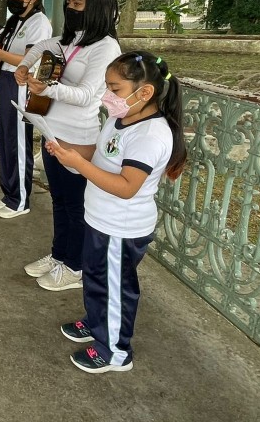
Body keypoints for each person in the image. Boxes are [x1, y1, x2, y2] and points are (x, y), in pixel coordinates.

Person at [47, 51, 186, 373]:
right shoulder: (120, 118)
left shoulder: (150, 135)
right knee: (96, 279)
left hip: (121, 228)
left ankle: (115, 351)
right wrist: (68, 150)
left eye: (115, 89)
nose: (108, 96)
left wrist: (78, 164)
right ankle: (97, 322)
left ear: (145, 92)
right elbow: (100, 156)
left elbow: (126, 186)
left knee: (115, 288)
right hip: (100, 219)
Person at [15, 0, 122, 291]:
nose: (70, 9)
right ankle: (59, 255)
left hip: (78, 137)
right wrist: (24, 66)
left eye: (77, 4)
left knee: (76, 206)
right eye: (68, 3)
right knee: (59, 201)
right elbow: (45, 46)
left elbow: (89, 95)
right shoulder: (72, 39)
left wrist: (47, 87)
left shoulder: (106, 47)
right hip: (52, 132)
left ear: (96, 8)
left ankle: (75, 268)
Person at [0, 0, 52, 215]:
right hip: (4, 81)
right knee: (3, 140)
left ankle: (20, 200)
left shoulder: (39, 23)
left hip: (21, 84)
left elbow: (29, 60)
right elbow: (1, 50)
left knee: (18, 142)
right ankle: (9, 193)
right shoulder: (14, 21)